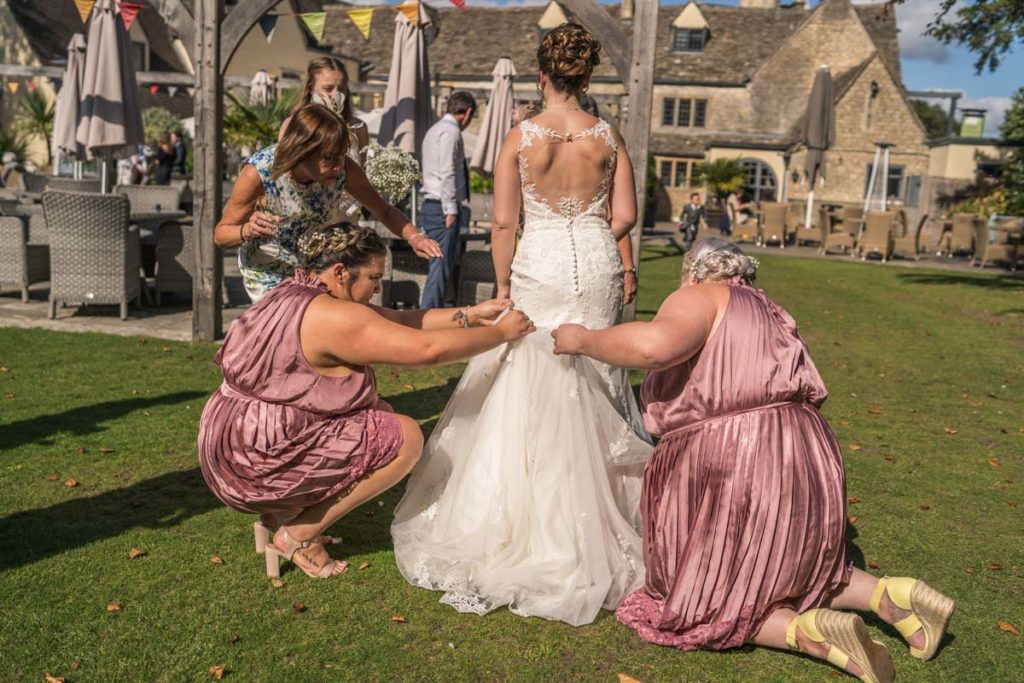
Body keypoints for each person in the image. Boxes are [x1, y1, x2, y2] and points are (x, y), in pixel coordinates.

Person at [551, 239, 955, 682]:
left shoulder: (699, 295)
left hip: (736, 450)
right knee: (796, 569)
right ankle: (893, 596)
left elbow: (655, 346)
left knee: (702, 599)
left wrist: (583, 339)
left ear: (692, 273)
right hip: (804, 447)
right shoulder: (771, 309)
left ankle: (809, 634)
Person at [391, 24, 652, 627]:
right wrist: (589, 236)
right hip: (595, 263)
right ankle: (593, 521)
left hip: (539, 266)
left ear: (541, 76)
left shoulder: (520, 137)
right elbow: (628, 215)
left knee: (525, 378)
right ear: (586, 78)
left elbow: (504, 224)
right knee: (592, 377)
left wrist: (504, 286)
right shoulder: (609, 137)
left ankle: (524, 520)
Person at [198, 224, 535, 580]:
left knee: (378, 417)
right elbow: (427, 352)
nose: (377, 288)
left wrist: (469, 315)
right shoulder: (337, 316)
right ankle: (298, 535)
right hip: (254, 460)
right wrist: (499, 333)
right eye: (374, 278)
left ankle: (277, 514)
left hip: (227, 443)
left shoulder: (291, 291)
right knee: (403, 437)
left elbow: (401, 319)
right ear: (341, 271)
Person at [214, 104, 443, 303]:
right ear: (303, 150)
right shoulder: (259, 173)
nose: (339, 165)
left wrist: (415, 237)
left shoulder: (343, 170)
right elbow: (221, 235)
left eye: (342, 155)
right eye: (330, 158)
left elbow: (382, 209)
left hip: (313, 267)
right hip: (267, 270)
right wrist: (247, 230)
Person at [419, 91, 475, 309]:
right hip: (441, 208)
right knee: (440, 267)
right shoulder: (450, 132)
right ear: (468, 113)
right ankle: (429, 314)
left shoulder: (434, 129)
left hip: (435, 205)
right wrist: (451, 210)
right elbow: (447, 172)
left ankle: (435, 311)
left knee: (441, 266)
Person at [279, 57, 369, 166]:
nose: (336, 95)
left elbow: (363, 173)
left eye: (341, 89)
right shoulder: (292, 124)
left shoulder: (358, 127)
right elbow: (283, 167)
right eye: (327, 88)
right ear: (310, 88)